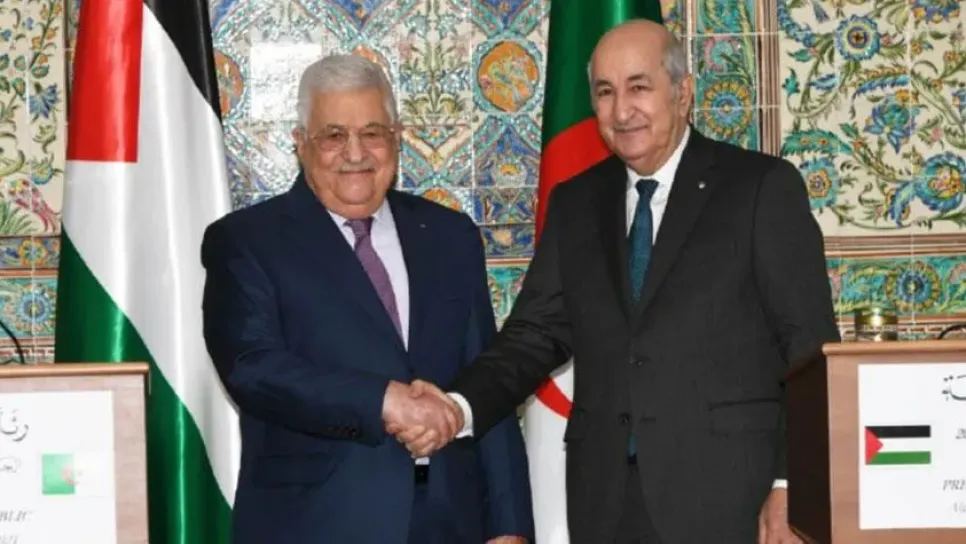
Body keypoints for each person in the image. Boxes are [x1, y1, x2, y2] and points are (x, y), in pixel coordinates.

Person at [393, 19, 840, 544]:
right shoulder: (576, 203)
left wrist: (791, 484)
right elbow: (533, 336)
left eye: (638, 87)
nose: (621, 111)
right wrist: (456, 407)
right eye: (605, 92)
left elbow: (810, 351)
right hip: (604, 504)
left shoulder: (760, 188)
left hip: (733, 500)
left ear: (683, 93)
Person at [201, 53, 534, 544]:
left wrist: (509, 525)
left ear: (397, 138)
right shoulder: (247, 241)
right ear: (301, 144)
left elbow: (488, 375)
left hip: (451, 522)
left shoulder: (450, 236)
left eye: (372, 133)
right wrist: (382, 402)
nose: (355, 153)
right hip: (315, 523)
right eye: (333, 136)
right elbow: (253, 369)